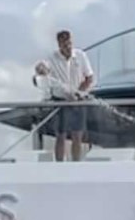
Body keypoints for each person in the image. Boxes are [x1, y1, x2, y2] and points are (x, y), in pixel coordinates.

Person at [33, 29, 95, 161]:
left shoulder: (80, 55)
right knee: (61, 134)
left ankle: (76, 163)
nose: (68, 47)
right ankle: (60, 164)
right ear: (59, 44)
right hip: (61, 101)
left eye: (69, 44)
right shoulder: (52, 57)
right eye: (64, 45)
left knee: (77, 135)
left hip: (78, 100)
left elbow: (89, 78)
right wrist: (40, 69)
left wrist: (78, 93)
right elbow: (42, 67)